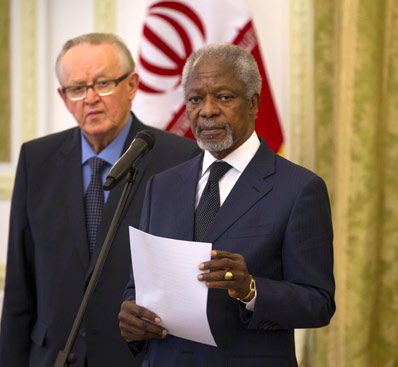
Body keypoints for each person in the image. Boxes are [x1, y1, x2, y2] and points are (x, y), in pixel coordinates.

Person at [118, 44, 335, 366]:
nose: (207, 111)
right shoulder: (161, 186)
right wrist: (131, 313)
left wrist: (250, 289)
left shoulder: (299, 189)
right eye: (195, 99)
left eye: (223, 97)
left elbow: (318, 303)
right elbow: (140, 285)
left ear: (253, 103)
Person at [0, 33, 200, 367]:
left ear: (132, 85)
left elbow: (185, 280)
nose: (90, 99)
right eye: (77, 88)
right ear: (64, 98)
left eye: (103, 83)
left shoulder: (179, 158)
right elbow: (20, 285)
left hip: (137, 358)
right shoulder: (37, 159)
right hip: (51, 356)